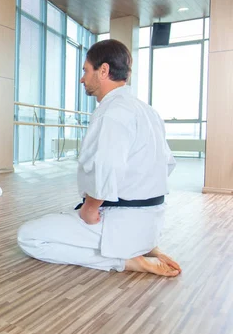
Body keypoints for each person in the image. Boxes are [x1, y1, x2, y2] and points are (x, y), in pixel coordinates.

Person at [17, 39, 181, 277]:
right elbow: (167, 164)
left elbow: (109, 165)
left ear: (103, 70)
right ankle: (143, 247)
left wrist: (90, 207)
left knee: (29, 237)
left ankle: (127, 261)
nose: (82, 78)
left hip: (120, 222)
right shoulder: (148, 111)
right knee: (65, 220)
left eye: (86, 70)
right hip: (151, 222)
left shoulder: (112, 112)